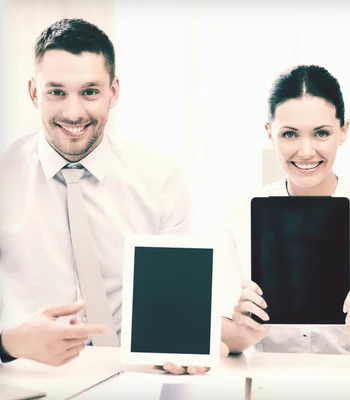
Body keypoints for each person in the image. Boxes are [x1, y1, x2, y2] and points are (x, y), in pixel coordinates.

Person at [0, 18, 224, 373]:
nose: (73, 113)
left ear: (113, 92)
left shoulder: (160, 177)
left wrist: (185, 344)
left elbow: (175, 305)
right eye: (56, 92)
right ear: (33, 93)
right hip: (31, 376)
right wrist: (7, 342)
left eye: (90, 92)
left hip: (141, 377)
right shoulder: (4, 178)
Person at [219, 65, 350, 358]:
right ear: (269, 133)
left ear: (343, 131)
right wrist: (242, 333)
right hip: (268, 382)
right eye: (289, 135)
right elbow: (222, 335)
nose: (307, 151)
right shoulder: (239, 213)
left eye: (321, 133)